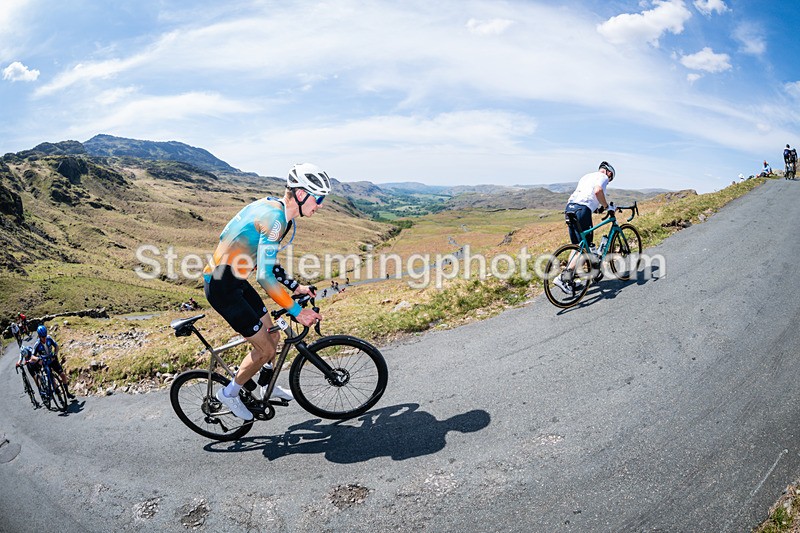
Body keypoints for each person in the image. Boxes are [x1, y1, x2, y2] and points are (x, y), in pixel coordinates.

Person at [203, 163, 329, 420]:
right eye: (319, 198)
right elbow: (264, 275)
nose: (321, 205)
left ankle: (263, 387)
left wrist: (296, 287)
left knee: (273, 336)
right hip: (222, 286)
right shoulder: (276, 220)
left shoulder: (274, 208)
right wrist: (297, 310)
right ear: (302, 195)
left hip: (234, 279)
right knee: (266, 350)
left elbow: (263, 259)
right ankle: (229, 393)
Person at [553, 161, 616, 294]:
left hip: (570, 208)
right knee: (583, 247)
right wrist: (606, 207)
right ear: (609, 173)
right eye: (610, 180)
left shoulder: (587, 176)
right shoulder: (603, 177)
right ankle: (563, 278)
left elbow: (586, 196)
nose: (608, 181)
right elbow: (598, 191)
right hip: (582, 210)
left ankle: (569, 280)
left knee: (577, 246)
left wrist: (596, 209)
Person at [32, 325, 76, 400]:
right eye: (42, 337)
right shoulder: (37, 344)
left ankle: (67, 393)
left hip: (52, 360)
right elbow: (32, 356)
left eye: (45, 336)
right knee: (52, 379)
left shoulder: (49, 338)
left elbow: (57, 346)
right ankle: (58, 394)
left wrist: (55, 353)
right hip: (45, 363)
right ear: (39, 336)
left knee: (63, 375)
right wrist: (38, 359)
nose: (44, 338)